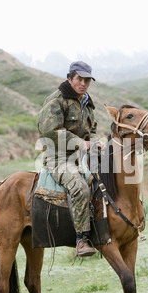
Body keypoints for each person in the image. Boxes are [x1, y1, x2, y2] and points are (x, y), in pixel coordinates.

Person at [37, 61, 100, 257]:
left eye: (87, 80)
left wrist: (96, 142)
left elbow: (92, 130)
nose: (83, 83)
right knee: (80, 188)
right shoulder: (56, 100)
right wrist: (80, 143)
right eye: (79, 79)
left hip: (81, 157)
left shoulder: (87, 103)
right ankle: (81, 239)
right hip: (58, 158)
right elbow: (50, 131)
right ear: (69, 78)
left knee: (105, 182)